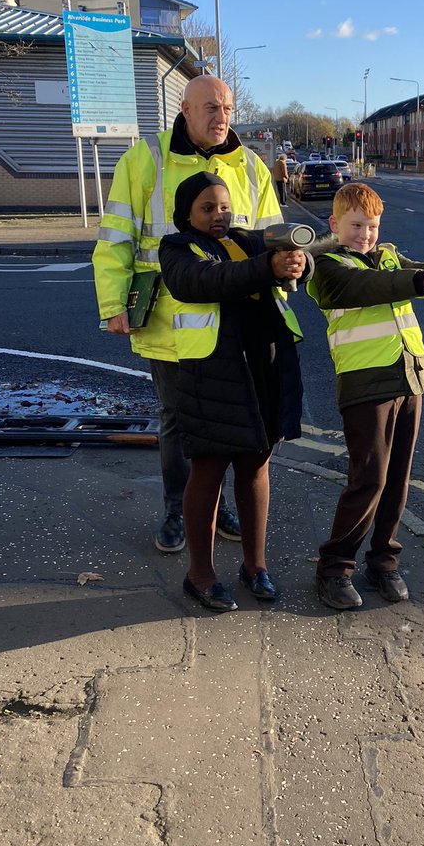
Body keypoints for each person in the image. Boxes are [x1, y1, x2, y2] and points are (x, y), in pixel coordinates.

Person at [93, 76, 282, 554]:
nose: (221, 117)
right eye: (211, 108)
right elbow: (116, 236)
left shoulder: (250, 166)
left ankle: (218, 506)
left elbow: (273, 241)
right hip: (167, 317)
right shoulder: (146, 159)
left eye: (227, 108)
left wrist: (280, 294)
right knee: (178, 420)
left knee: (233, 415)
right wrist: (115, 305)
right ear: (184, 108)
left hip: (236, 321)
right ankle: (178, 509)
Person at [306, 182, 424, 610]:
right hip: (366, 384)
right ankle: (334, 568)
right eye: (356, 225)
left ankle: (383, 560)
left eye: (372, 226)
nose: (365, 234)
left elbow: (415, 277)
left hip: (409, 378)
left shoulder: (386, 255)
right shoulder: (325, 265)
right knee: (368, 480)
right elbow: (372, 288)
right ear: (335, 224)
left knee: (397, 480)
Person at [158, 172, 309, 611]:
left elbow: (296, 261)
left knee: (256, 467)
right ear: (186, 213)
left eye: (223, 206)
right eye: (207, 208)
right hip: (213, 376)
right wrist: (268, 266)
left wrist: (301, 262)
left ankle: (254, 566)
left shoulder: (251, 239)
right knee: (207, 473)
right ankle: (199, 575)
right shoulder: (177, 249)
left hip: (262, 368)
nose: (218, 215)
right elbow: (205, 281)